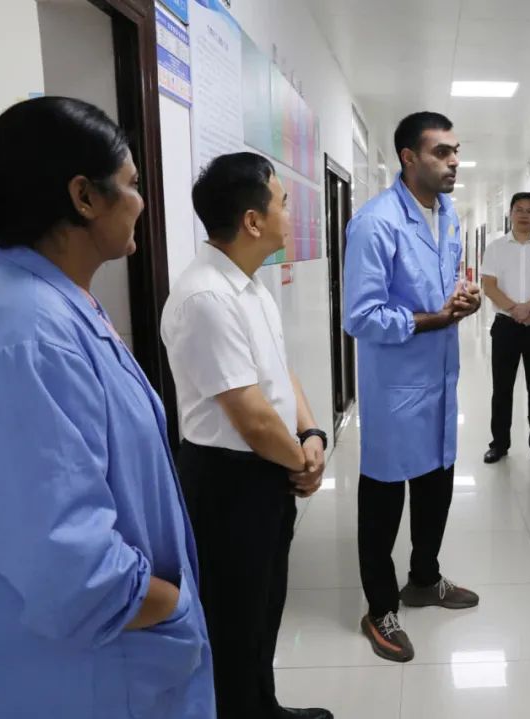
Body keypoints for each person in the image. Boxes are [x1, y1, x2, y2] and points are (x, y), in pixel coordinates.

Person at [0, 97, 214, 718]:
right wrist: (168, 606)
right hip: (90, 673)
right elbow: (64, 564)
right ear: (84, 197)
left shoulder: (43, 298)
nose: (141, 202)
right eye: (132, 183)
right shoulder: (27, 332)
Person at [162, 152, 331, 719]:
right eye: (283, 202)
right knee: (233, 620)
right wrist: (301, 464)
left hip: (267, 469)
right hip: (229, 482)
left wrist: (311, 432)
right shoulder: (207, 297)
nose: (290, 213)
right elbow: (252, 418)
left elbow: (280, 374)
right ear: (253, 221)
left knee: (264, 606)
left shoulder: (250, 287)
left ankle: (264, 706)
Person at [343, 111, 481, 664]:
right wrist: (436, 318)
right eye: (441, 152)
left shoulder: (446, 214)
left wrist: (463, 298)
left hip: (441, 379)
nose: (454, 162)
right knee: (383, 501)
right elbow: (361, 315)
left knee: (435, 485)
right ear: (408, 158)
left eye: (456, 151)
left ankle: (424, 577)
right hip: (396, 388)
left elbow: (447, 285)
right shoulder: (376, 223)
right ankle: (380, 609)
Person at [481, 191, 530, 464]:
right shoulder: (495, 248)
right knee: (502, 388)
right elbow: (489, 286)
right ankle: (499, 444)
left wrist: (529, 307)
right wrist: (516, 309)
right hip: (506, 326)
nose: (524, 215)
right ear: (510, 214)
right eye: (519, 209)